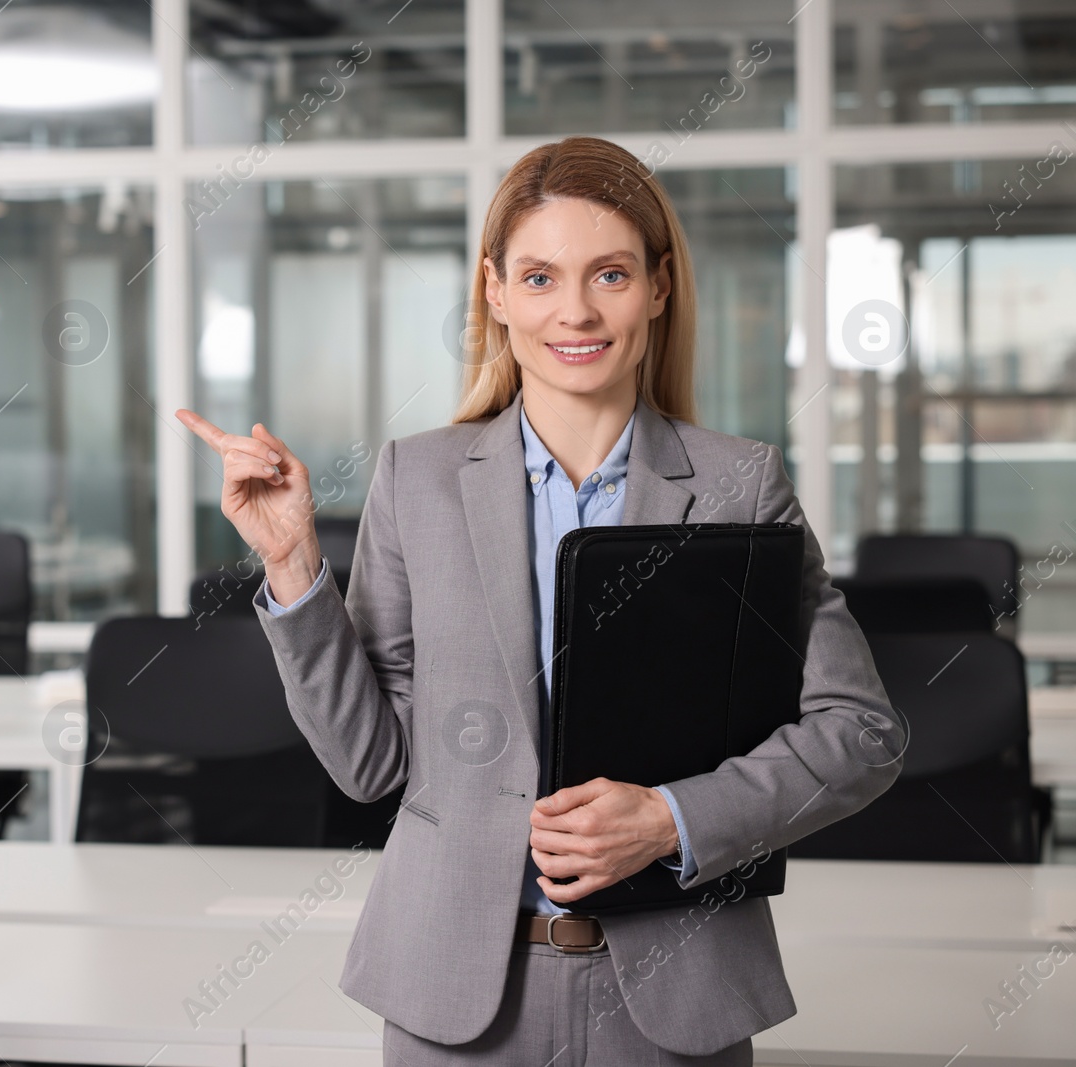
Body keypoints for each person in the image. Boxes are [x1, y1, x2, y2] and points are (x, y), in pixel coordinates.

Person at [176, 136, 903, 1066]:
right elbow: (370, 764)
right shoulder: (419, 479)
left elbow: (860, 730)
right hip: (455, 1002)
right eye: (538, 277)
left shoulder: (740, 484)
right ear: (495, 290)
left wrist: (670, 819)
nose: (575, 310)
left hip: (675, 998)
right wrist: (291, 563)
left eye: (609, 273)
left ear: (659, 286)